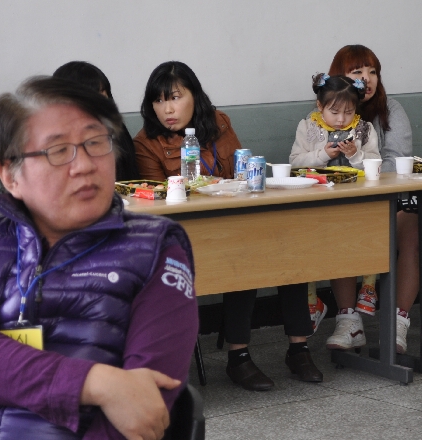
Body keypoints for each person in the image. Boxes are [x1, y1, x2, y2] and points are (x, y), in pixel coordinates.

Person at [0, 77, 198, 439]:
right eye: (58, 150)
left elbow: (141, 408)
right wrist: (96, 382)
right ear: (10, 175)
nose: (84, 165)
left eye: (96, 143)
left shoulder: (156, 251)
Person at [133, 61, 323, 391]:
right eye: (159, 101)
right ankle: (238, 356)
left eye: (175, 97)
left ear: (194, 96)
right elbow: (158, 200)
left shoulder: (218, 123)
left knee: (286, 246)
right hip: (186, 233)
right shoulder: (146, 142)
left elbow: (241, 172)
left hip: (231, 220)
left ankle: (299, 348)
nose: (167, 109)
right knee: (241, 255)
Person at [326, 44, 418, 331]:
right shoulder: (325, 113)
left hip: (391, 202)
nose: (366, 78)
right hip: (345, 205)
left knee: (415, 229)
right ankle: (348, 321)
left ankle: (398, 323)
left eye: (372, 72)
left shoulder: (391, 109)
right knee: (337, 225)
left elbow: (397, 161)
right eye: (357, 72)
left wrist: (360, 171)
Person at [52, 61, 139, 181]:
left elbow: (131, 180)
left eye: (102, 94)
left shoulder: (118, 130)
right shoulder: (55, 141)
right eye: (90, 96)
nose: (98, 102)